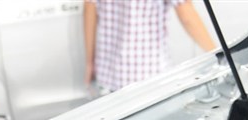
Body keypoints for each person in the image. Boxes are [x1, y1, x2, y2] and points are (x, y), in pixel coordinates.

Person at [84, 0, 216, 94]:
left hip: (109, 73)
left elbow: (89, 6)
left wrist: (90, 62)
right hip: (150, 76)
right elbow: (187, 16)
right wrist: (218, 54)